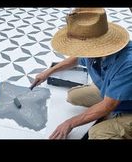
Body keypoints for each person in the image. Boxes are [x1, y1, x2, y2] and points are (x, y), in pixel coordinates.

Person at [31, 8, 132, 139]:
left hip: (125, 105)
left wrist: (70, 123)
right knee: (73, 96)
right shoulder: (95, 49)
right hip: (113, 93)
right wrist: (48, 72)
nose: (80, 50)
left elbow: (108, 105)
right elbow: (77, 58)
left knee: (96, 134)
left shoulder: (127, 64)